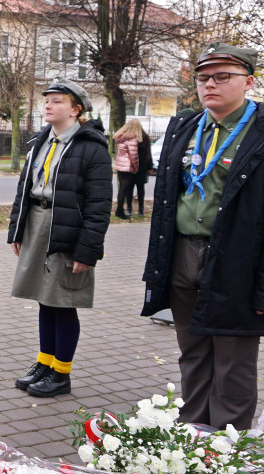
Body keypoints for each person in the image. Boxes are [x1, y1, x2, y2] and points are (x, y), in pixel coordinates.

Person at [142, 42, 264, 430]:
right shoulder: (186, 126)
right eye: (203, 77)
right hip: (181, 254)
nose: (210, 84)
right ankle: (193, 432)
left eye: (222, 76)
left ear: (249, 81)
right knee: (192, 351)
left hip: (237, 261)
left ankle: (229, 445)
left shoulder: (259, 131)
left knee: (232, 359)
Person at [7, 79, 112, 398]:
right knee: (44, 300)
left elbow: (99, 204)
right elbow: (24, 188)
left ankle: (61, 373)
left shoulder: (91, 147)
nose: (48, 105)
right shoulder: (40, 141)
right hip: (37, 225)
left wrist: (87, 250)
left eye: (57, 101)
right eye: (47, 100)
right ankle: (44, 363)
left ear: (76, 109)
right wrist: (17, 228)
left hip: (66, 229)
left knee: (63, 302)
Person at [112, 119, 144, 219]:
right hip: (127, 167)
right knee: (124, 189)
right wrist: (136, 168)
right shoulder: (132, 139)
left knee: (122, 189)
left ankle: (119, 209)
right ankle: (120, 210)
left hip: (120, 165)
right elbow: (133, 156)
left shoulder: (120, 137)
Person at [133, 127, 152, 217]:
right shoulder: (146, 138)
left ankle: (130, 209)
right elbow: (149, 153)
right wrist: (150, 167)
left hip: (133, 166)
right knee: (141, 189)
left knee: (130, 188)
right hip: (143, 166)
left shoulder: (132, 139)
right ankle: (141, 210)